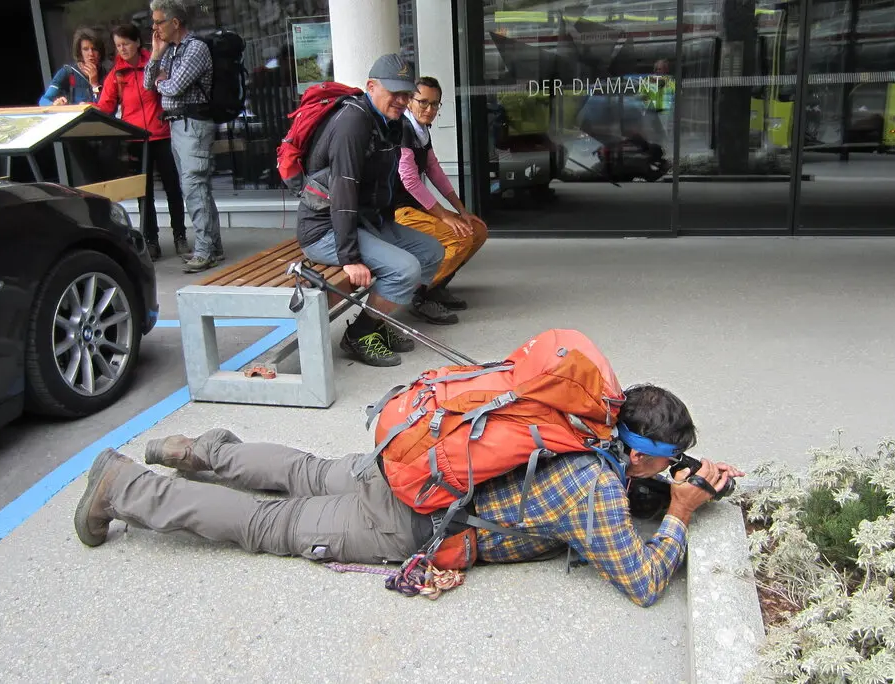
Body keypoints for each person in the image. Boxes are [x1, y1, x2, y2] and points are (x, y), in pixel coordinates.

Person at [73, 384, 745, 607]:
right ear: (634, 454)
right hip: (408, 518)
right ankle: (124, 486)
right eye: (660, 465)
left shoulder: (578, 416)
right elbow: (643, 582)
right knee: (267, 524)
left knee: (307, 470)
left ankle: (203, 450)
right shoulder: (596, 486)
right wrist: (681, 512)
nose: (664, 476)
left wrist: (665, 484)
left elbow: (622, 483)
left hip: (408, 459)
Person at [295, 53, 453, 369]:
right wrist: (349, 258)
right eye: (394, 91)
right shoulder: (353, 123)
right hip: (325, 229)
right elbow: (344, 190)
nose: (401, 100)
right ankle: (360, 333)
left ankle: (378, 322)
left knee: (431, 252)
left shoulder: (389, 122)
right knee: (405, 268)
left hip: (365, 221)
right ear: (371, 86)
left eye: (406, 93)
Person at [394, 76, 488, 314]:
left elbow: (434, 170)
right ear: (409, 102)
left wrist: (461, 210)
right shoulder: (402, 129)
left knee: (477, 230)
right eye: (423, 102)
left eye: (435, 104)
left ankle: (436, 286)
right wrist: (444, 215)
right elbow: (409, 180)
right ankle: (420, 295)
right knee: (460, 236)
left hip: (416, 207)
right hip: (395, 211)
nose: (429, 109)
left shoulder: (421, 130)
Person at [95, 23, 187, 261]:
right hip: (136, 139)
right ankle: (151, 241)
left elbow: (171, 90)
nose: (122, 49)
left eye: (125, 43)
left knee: (173, 188)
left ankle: (180, 236)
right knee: (144, 193)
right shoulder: (116, 74)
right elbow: (105, 107)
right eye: (117, 46)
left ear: (137, 42)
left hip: (162, 134)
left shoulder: (155, 63)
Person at [145, 0, 224, 274]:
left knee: (193, 186)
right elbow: (148, 84)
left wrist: (161, 82)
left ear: (175, 22)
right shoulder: (169, 51)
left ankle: (205, 251)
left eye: (158, 22)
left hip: (194, 124)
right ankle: (212, 245)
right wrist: (156, 57)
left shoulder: (195, 49)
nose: (154, 28)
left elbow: (175, 87)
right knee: (195, 186)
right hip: (177, 126)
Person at [40, 28, 113, 185]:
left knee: (108, 178)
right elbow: (44, 100)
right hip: (78, 134)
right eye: (86, 49)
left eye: (94, 49)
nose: (90, 54)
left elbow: (105, 105)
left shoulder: (108, 72)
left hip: (105, 133)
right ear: (79, 52)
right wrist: (55, 104)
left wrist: (94, 83)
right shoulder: (68, 72)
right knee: (90, 178)